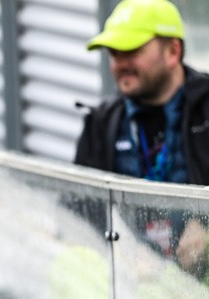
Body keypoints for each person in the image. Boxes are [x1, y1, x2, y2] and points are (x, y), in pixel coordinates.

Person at [74, 0, 209, 276]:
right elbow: (76, 210)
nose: (119, 64)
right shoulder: (101, 123)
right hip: (133, 281)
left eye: (131, 51)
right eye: (114, 53)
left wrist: (206, 224)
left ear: (173, 52)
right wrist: (116, 250)